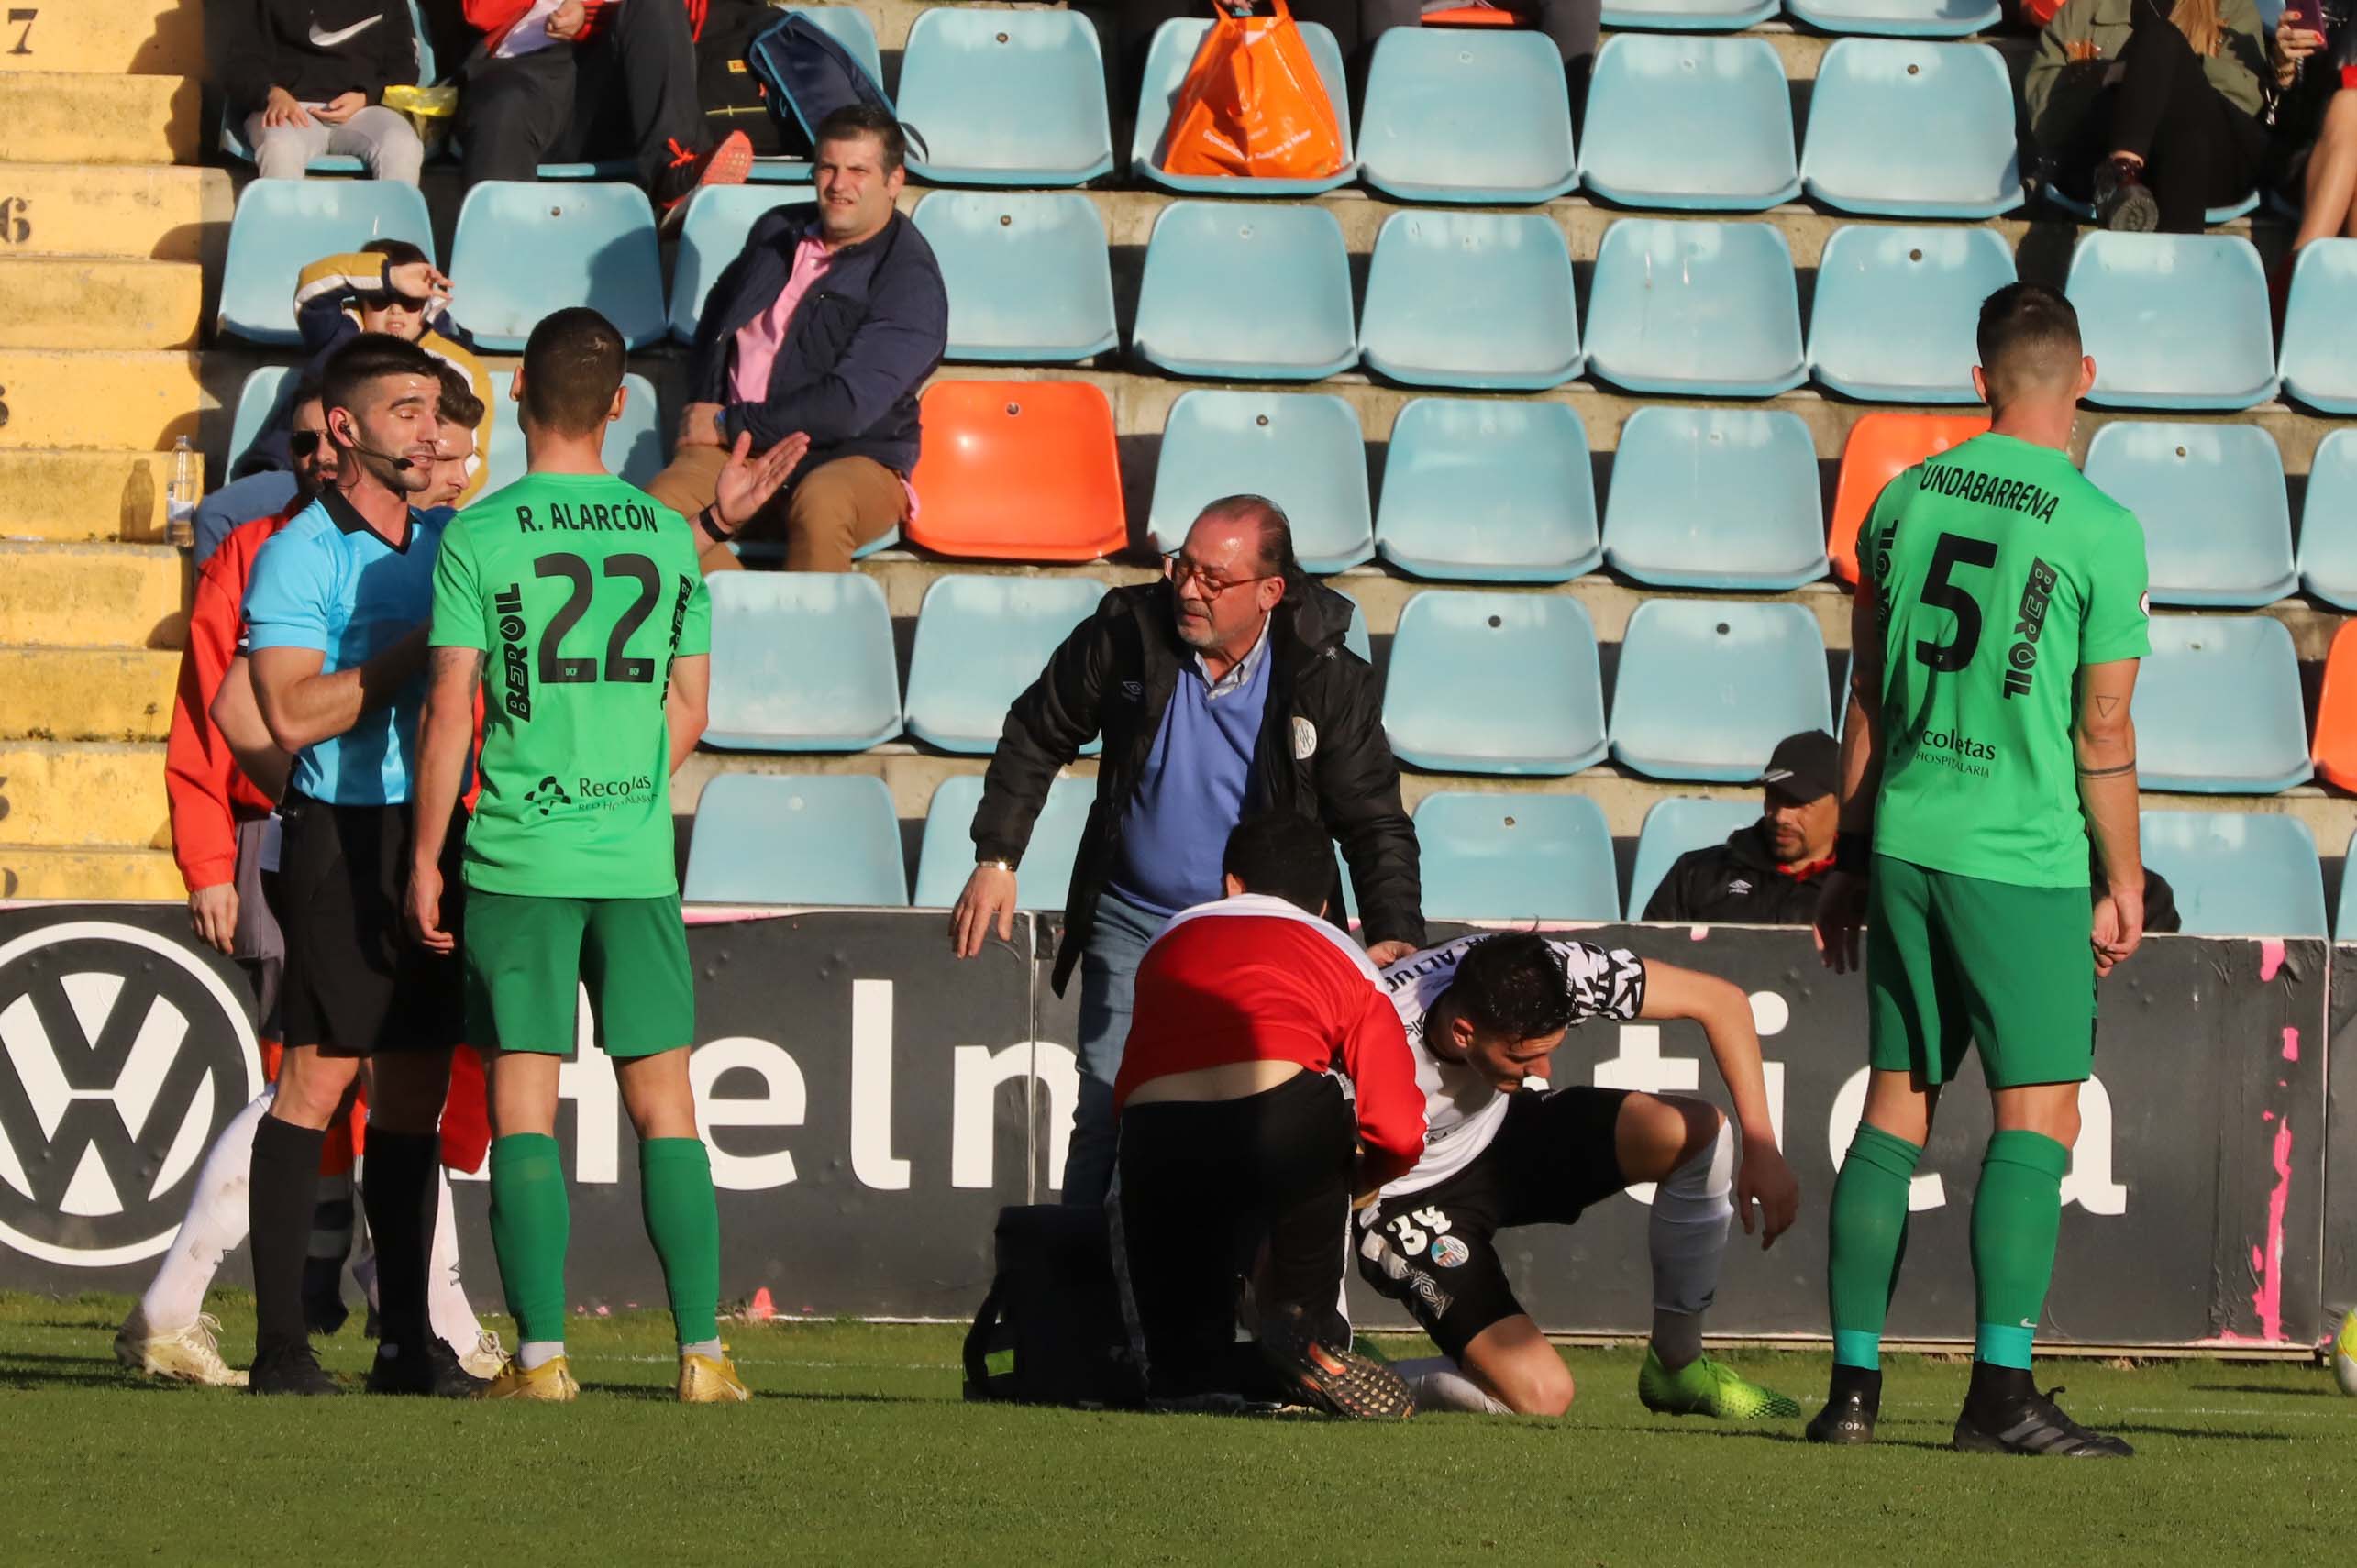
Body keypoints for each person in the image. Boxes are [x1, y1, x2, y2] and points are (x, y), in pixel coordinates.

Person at [405, 307, 804, 1404]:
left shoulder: (479, 537)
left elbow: (451, 711)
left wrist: (425, 855)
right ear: (620, 405)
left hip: (520, 859)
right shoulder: (666, 535)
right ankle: (703, 1358)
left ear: (516, 394)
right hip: (633, 859)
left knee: (526, 1101)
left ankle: (540, 1359)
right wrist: (623, 783)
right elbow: (691, 706)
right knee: (666, 1105)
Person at [1809, 282, 2149, 1458]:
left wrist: (1847, 855)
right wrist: (2126, 876)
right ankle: (1998, 1395)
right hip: (2019, 854)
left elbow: (1866, 695)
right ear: (2083, 379)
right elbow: (2099, 730)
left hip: (1903, 836)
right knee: (2036, 1113)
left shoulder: (1899, 501)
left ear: (1977, 383)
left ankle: (1850, 1395)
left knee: (1893, 1108)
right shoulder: (2100, 526)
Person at [951, 495, 1425, 1208]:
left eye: (1213, 578)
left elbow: (1372, 818)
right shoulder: (1125, 633)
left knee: (1269, 1120)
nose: (1188, 590)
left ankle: (1255, 1303)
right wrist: (997, 857)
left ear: (1271, 591)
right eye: (1181, 568)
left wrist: (1395, 933)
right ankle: (1082, 1297)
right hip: (1134, 917)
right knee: (1109, 1108)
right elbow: (1037, 729)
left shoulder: (1328, 676)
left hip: (1269, 937)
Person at [238, 333, 477, 1397]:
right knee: (316, 1080)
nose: (430, 427)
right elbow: (288, 712)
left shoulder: (448, 541)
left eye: (435, 409)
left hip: (428, 835)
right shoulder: (300, 549)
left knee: (416, 1095)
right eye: (406, 409)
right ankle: (282, 1345)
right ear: (342, 429)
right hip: (340, 833)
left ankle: (405, 1341)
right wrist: (416, 657)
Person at [1354, 932, 1802, 1419]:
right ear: (1463, 1033)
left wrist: (1763, 1147)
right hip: (1400, 1192)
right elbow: (1290, 1167)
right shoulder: (1368, 1034)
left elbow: (1721, 1001)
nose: (1544, 1068)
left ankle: (1678, 1367)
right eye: (1523, 1057)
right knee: (1542, 1398)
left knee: (1699, 1134)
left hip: (1497, 1130)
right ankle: (1354, 1376)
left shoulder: (1553, 970)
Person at [1112, 813, 1425, 1419]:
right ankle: (1304, 1336)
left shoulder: (1168, 938)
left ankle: (1183, 1377)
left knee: (1182, 1358)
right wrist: (1361, 1178)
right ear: (1326, 902)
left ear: (1232, 883)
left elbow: (1132, 1075)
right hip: (1281, 1121)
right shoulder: (1344, 953)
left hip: (1157, 1132)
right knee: (1330, 1110)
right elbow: (1398, 1124)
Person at [649, 105, 947, 576]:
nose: (838, 184)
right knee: (659, 515)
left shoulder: (909, 279)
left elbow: (847, 405)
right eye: (828, 167)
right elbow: (717, 321)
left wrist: (727, 421)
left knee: (823, 504)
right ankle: (738, 626)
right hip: (737, 450)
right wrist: (708, 407)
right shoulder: (777, 230)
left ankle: (807, 642)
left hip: (849, 458)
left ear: (894, 181)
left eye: (858, 171)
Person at [451, 0, 753, 211]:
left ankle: (674, 172)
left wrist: (589, 15)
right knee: (503, 107)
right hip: (521, 71)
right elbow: (480, 11)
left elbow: (689, 15)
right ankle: (497, 256)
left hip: (614, 87)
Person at [2025, 0, 2271, 233]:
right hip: (2095, 161)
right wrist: (2108, 73)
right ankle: (2179, 247)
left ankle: (2121, 173)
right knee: (2160, 45)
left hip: (2210, 168)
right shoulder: (2084, 8)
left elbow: (2245, 102)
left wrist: (2165, 68)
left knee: (2162, 41)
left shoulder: (2231, 7)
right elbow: (2044, 113)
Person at [213, 0, 426, 182]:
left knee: (402, 145)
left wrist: (366, 95)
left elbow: (405, 65)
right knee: (280, 147)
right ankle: (281, 230)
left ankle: (391, 231)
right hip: (289, 111)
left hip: (365, 109)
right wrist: (272, 93)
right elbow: (240, 62)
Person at [1643, 730, 1842, 925]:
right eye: (1773, 796)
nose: (1781, 816)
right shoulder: (1694, 874)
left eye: (1797, 802)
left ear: (1842, 804)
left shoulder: (1865, 892)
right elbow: (1643, 951)